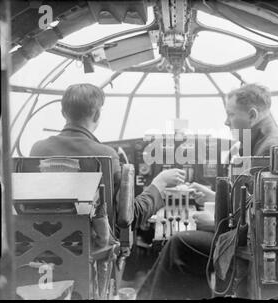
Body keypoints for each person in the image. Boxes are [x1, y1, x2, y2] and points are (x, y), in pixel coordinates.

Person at [137, 83, 278, 300]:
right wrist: (214, 198)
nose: (226, 121)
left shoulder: (270, 150)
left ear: (252, 114)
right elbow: (256, 203)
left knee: (179, 243)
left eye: (231, 114)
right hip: (254, 240)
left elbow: (266, 221)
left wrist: (215, 223)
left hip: (257, 249)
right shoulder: (266, 142)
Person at [30, 83, 185, 231]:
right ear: (97, 114)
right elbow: (128, 217)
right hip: (94, 245)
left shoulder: (37, 149)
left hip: (42, 240)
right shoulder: (106, 155)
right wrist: (160, 182)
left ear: (63, 113)